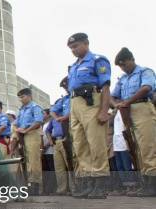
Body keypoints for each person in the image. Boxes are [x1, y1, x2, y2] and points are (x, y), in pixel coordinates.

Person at [67, 33, 111, 199]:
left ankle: (100, 183)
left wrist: (104, 111)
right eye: (71, 48)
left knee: (96, 143)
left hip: (91, 102)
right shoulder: (73, 66)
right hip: (75, 103)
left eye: (76, 46)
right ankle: (88, 182)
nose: (73, 50)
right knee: (80, 144)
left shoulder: (97, 60)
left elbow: (105, 87)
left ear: (86, 43)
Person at [111, 47, 156, 196]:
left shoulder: (145, 71)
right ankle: (146, 183)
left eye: (124, 64)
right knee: (136, 148)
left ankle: (152, 184)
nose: (123, 68)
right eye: (120, 66)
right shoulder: (122, 79)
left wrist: (127, 101)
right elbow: (113, 96)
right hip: (126, 113)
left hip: (143, 108)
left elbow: (146, 88)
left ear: (132, 59)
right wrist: (117, 104)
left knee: (147, 146)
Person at [14, 88, 44, 195]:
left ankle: (35, 186)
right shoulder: (22, 109)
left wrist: (26, 130)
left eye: (23, 97)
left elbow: (38, 121)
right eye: (20, 98)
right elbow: (16, 123)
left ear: (29, 96)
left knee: (33, 161)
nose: (21, 99)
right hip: (23, 136)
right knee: (26, 160)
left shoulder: (35, 107)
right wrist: (18, 130)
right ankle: (28, 184)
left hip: (32, 134)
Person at [50, 77, 72, 195]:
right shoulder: (63, 100)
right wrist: (57, 117)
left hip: (69, 134)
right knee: (59, 168)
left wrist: (64, 117)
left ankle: (74, 188)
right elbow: (53, 110)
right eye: (64, 87)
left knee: (71, 164)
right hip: (57, 139)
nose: (66, 88)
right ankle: (62, 189)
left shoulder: (75, 98)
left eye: (66, 85)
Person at [41, 109, 56, 195]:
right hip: (45, 151)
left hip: (51, 150)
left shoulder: (51, 123)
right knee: (46, 170)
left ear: (48, 114)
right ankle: (47, 189)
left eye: (43, 113)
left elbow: (52, 135)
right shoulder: (43, 124)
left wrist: (46, 146)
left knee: (52, 170)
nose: (42, 115)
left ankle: (52, 188)